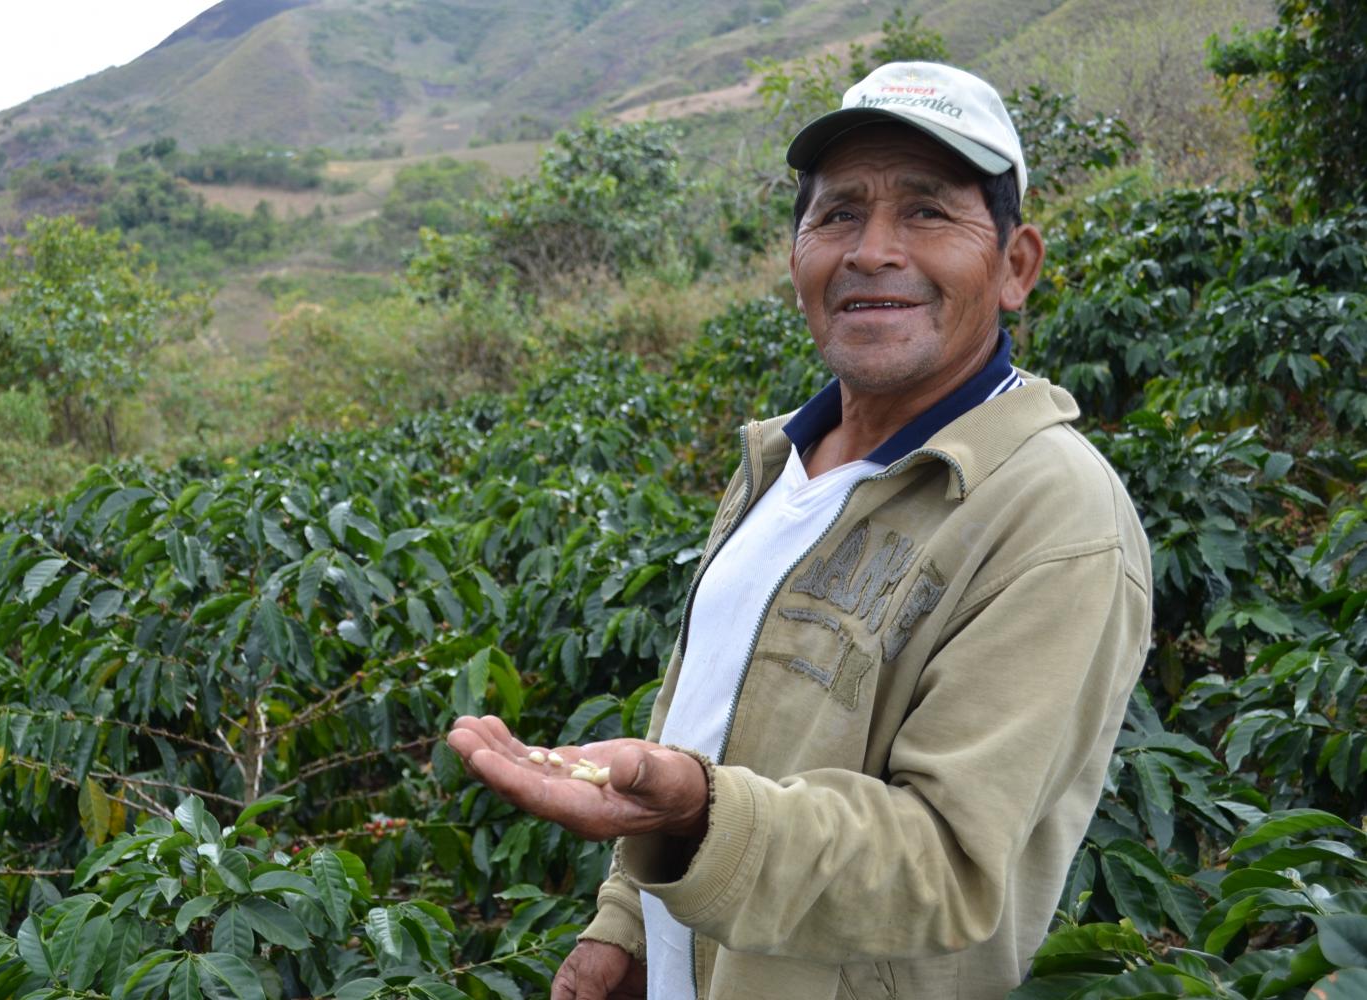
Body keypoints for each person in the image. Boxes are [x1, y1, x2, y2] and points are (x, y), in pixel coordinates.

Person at [448, 61, 1152, 1000]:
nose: (872, 250)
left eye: (927, 212)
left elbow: (946, 862)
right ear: (796, 260)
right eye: (838, 214)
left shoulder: (1055, 517)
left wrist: (698, 810)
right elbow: (702, 717)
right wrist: (626, 926)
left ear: (1014, 265)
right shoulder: (778, 463)